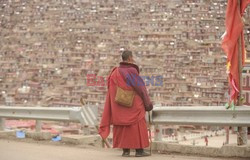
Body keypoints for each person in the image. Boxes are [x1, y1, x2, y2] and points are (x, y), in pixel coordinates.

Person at [99, 50, 153, 157]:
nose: (133, 59)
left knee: (122, 128)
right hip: (133, 106)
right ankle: (139, 151)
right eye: (132, 57)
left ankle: (126, 151)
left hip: (119, 106)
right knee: (137, 126)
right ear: (129, 58)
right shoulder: (131, 71)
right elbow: (141, 88)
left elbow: (111, 90)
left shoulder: (114, 72)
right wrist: (147, 104)